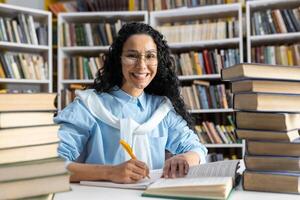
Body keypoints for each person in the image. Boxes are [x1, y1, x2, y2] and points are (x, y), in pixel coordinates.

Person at [54, 22, 207, 184]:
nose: (141, 65)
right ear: (118, 60)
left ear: (158, 61)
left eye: (150, 56)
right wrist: (110, 172)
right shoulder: (88, 106)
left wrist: (184, 158)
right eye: (132, 55)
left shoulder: (162, 109)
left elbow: (197, 149)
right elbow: (51, 165)